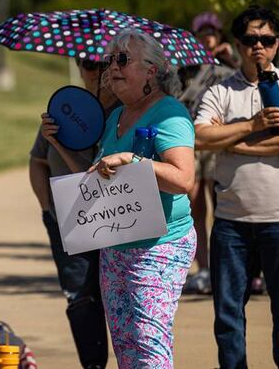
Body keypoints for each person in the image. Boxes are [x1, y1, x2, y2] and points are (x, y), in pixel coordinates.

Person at [43, 28, 196, 367]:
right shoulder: (116, 116)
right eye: (110, 59)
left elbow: (183, 179)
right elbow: (97, 175)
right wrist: (57, 143)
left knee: (149, 345)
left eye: (123, 59)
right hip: (116, 250)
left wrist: (132, 160)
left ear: (152, 71)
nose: (112, 67)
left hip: (159, 246)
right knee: (127, 349)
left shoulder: (170, 114)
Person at [194, 6, 279, 369]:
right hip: (231, 223)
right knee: (228, 312)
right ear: (239, 44)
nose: (258, 46)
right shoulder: (221, 91)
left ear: (276, 45)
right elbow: (199, 136)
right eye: (250, 39)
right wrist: (252, 124)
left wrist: (232, 143)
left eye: (266, 40)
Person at [30, 58, 118, 368]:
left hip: (115, 218)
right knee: (80, 297)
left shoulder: (124, 113)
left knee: (120, 298)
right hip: (66, 219)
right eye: (88, 63)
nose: (97, 71)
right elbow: (38, 161)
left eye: (105, 63)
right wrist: (47, 209)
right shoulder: (65, 107)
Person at [178, 11, 237, 294]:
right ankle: (204, 268)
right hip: (190, 140)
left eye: (212, 33)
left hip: (217, 141)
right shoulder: (186, 66)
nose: (208, 38)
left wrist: (231, 60)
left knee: (220, 203)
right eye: (203, 33)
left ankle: (225, 267)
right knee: (195, 205)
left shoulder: (228, 65)